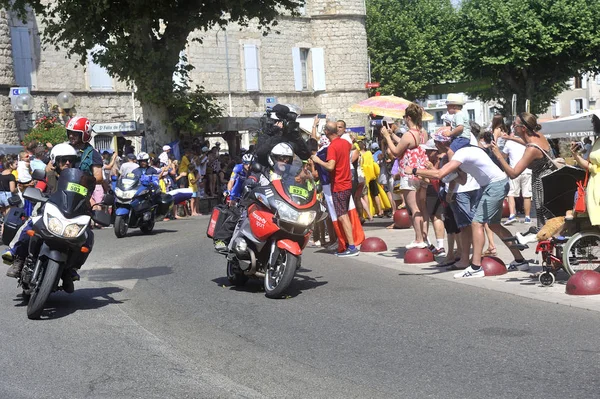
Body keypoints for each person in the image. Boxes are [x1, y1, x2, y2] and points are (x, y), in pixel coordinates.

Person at [409, 133, 529, 278]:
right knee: (494, 225)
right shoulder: (469, 151)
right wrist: (450, 178)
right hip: (496, 184)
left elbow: (439, 174)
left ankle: (476, 267)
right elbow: (463, 179)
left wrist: (415, 171)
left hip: (494, 185)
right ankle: (520, 260)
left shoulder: (461, 153)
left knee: (476, 223)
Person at [490, 112, 558, 228]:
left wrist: (499, 155)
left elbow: (513, 174)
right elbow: (527, 142)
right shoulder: (538, 136)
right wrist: (511, 138)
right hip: (550, 182)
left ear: (523, 128)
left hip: (541, 185)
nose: (512, 126)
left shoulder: (531, 150)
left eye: (514, 124)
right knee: (550, 221)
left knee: (545, 223)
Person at [380, 104, 429, 248]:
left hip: (409, 173)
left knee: (413, 208)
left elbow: (395, 151)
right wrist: (393, 135)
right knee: (421, 207)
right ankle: (424, 237)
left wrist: (387, 136)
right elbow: (406, 143)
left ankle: (418, 239)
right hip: (420, 171)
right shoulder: (421, 133)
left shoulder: (408, 134)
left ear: (408, 117)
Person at [311, 121, 359, 257]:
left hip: (339, 185)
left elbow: (331, 166)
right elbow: (353, 147)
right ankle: (350, 244)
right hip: (348, 183)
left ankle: (352, 246)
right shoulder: (345, 143)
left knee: (343, 216)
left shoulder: (332, 147)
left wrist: (318, 160)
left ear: (326, 132)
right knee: (344, 215)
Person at [501, 127, 532, 225]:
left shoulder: (509, 143)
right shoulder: (526, 142)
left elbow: (504, 156)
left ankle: (512, 214)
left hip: (514, 170)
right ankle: (527, 217)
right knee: (527, 195)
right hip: (527, 170)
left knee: (511, 194)